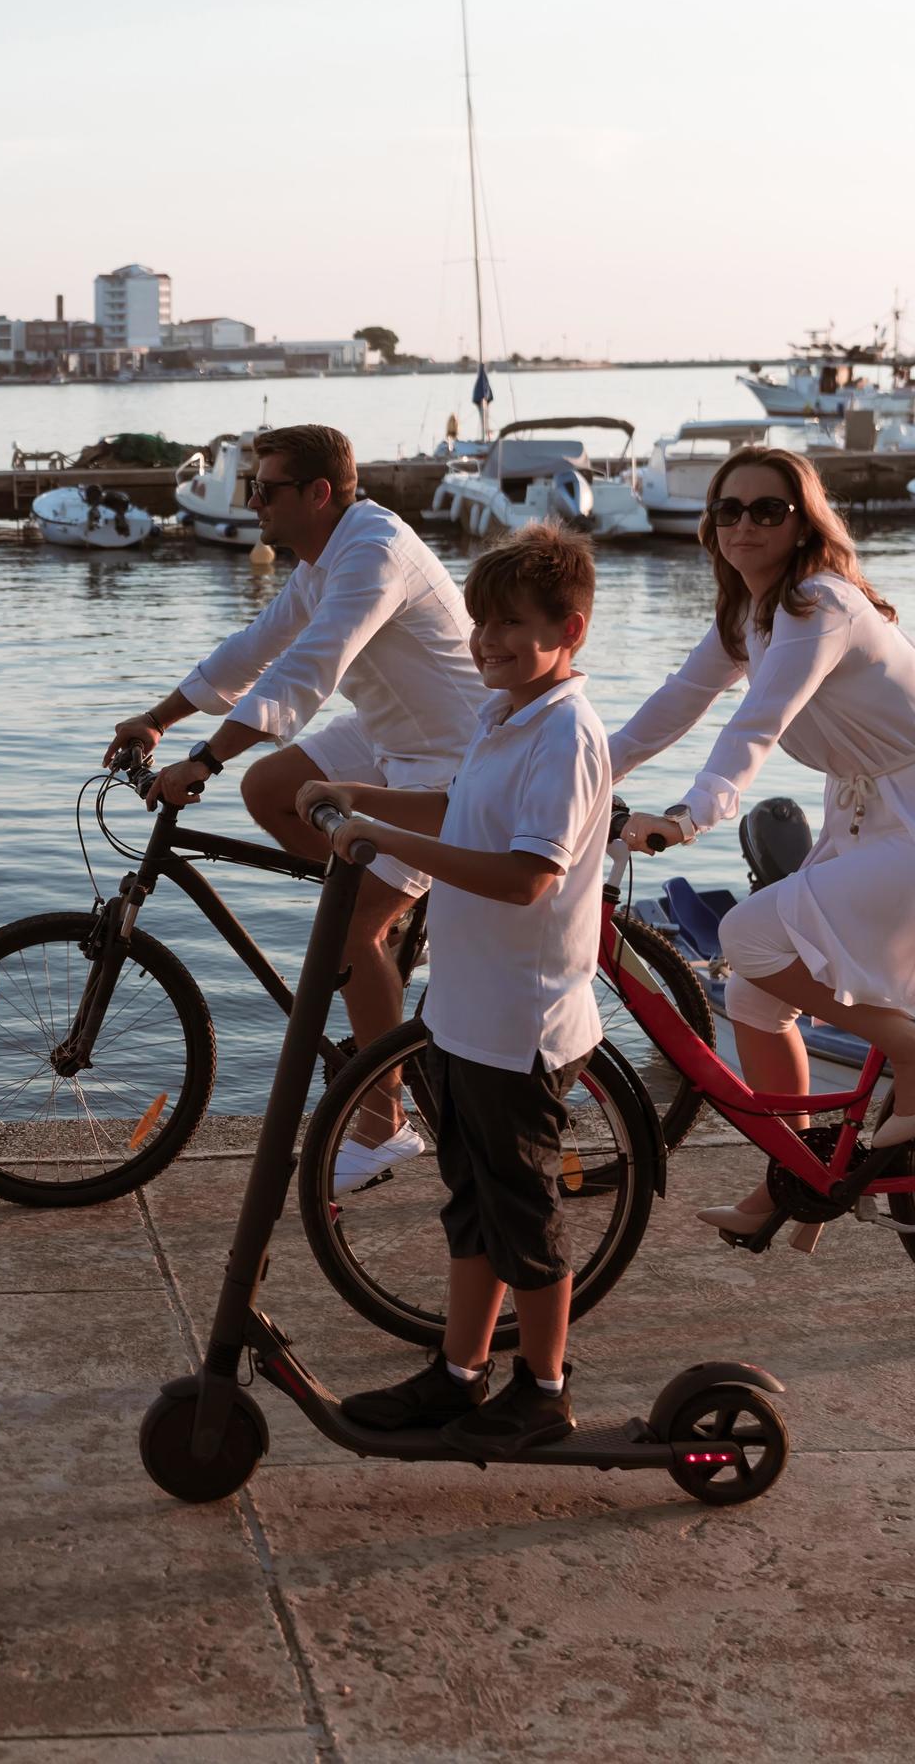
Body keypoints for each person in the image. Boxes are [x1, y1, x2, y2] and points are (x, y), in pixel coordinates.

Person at [612, 446, 915, 1241]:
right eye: (729, 510)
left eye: (768, 509)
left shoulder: (816, 603)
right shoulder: (749, 615)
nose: (745, 526)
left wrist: (690, 815)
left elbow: (755, 723)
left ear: (804, 523)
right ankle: (798, 1178)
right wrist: (581, 771)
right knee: (761, 998)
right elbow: (673, 705)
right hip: (875, 825)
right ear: (711, 525)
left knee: (745, 936)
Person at [105, 424, 483, 1191]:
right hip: (387, 739)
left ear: (317, 493)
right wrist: (159, 720)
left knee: (348, 927)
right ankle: (392, 913)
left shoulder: (372, 554)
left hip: (455, 761)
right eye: (250, 488)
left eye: (265, 489)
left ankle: (385, 1125)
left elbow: (309, 671)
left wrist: (205, 759)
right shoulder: (321, 558)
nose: (252, 503)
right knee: (267, 790)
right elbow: (255, 648)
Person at [300, 525, 611, 1451]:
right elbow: (453, 806)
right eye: (480, 626)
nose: (487, 644)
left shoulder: (564, 734)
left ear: (572, 631)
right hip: (464, 1013)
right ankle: (458, 1372)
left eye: (512, 627)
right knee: (471, 1205)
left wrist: (380, 843)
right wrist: (359, 799)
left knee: (525, 1214)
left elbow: (526, 875)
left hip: (522, 1021)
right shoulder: (503, 714)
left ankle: (545, 1388)